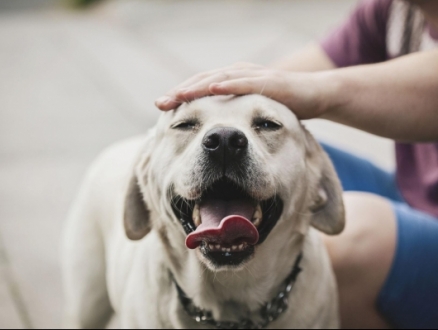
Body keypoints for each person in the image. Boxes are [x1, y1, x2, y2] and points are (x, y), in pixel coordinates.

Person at [155, 0, 438, 328]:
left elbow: (302, 85)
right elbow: (267, 85)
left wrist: (319, 92)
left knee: (352, 238)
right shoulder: (392, 11)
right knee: (284, 152)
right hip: (411, 191)